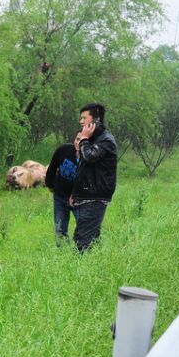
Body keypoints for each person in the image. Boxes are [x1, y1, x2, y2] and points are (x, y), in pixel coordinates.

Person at [70, 103, 117, 253]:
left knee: (82, 239)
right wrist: (74, 192)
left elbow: (90, 157)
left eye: (84, 118)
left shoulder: (106, 140)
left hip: (95, 197)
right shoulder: (91, 139)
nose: (80, 121)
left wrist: (83, 139)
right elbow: (83, 168)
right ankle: (97, 266)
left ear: (95, 120)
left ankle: (79, 272)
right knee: (91, 238)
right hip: (84, 195)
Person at [45, 141, 78, 244]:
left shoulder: (89, 158)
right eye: (77, 139)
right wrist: (50, 184)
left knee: (84, 228)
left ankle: (83, 252)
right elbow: (53, 166)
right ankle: (62, 252)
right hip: (60, 196)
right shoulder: (64, 150)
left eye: (82, 140)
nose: (79, 143)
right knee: (60, 228)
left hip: (79, 199)